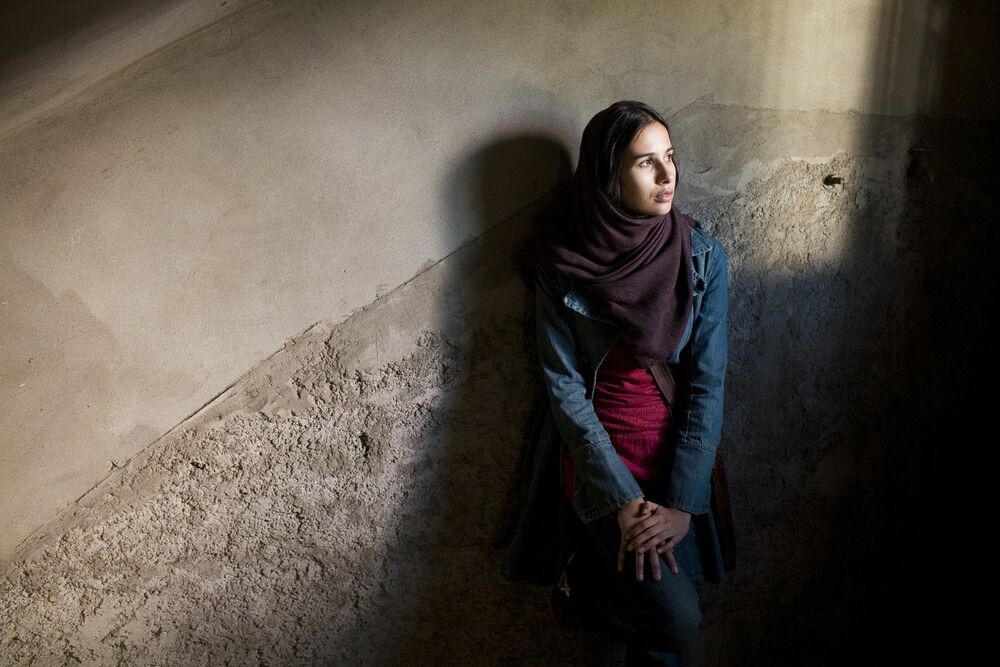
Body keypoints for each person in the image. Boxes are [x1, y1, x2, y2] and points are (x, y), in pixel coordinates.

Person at [503, 100, 731, 666]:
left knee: (654, 629)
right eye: (645, 162)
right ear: (609, 174)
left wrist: (681, 504)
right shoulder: (562, 265)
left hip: (672, 464)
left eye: (670, 157)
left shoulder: (702, 257)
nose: (667, 174)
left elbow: (706, 385)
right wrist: (621, 501)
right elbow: (564, 389)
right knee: (675, 619)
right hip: (601, 468)